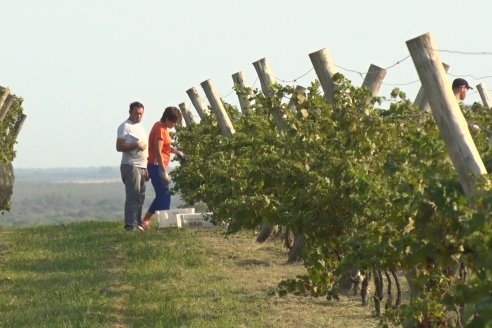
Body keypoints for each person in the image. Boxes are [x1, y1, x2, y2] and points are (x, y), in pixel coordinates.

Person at [141, 106, 185, 230]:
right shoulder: (160, 130)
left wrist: (177, 152)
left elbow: (165, 147)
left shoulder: (162, 127)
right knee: (165, 196)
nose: (174, 125)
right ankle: (164, 224)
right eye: (173, 122)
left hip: (159, 166)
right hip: (156, 167)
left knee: (162, 195)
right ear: (167, 119)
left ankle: (146, 221)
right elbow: (158, 151)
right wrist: (163, 171)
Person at [116, 101, 148, 232]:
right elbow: (119, 146)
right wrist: (136, 145)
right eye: (136, 113)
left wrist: (147, 167)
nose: (138, 116)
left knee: (140, 196)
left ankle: (137, 222)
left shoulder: (140, 127)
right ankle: (130, 225)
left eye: (141, 113)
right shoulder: (125, 127)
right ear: (130, 113)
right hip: (131, 165)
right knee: (133, 196)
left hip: (142, 166)